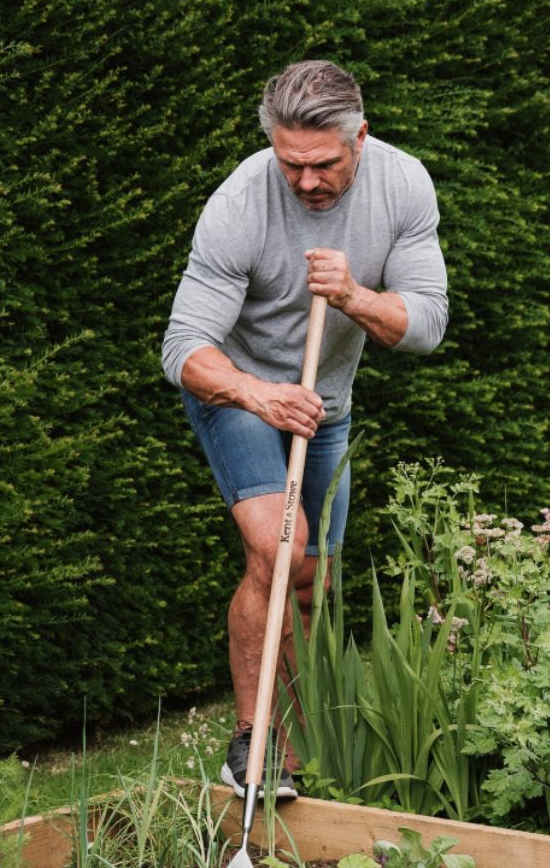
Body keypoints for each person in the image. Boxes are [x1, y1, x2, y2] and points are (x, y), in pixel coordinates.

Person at [161, 60, 448, 799]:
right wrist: (260, 395)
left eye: (324, 164)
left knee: (313, 582)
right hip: (239, 392)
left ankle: (296, 746)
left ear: (361, 136)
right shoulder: (240, 202)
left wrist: (353, 294)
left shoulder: (403, 184)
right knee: (277, 551)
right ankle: (253, 744)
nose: (307, 182)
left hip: (326, 404)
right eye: (292, 164)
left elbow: (425, 325)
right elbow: (184, 349)